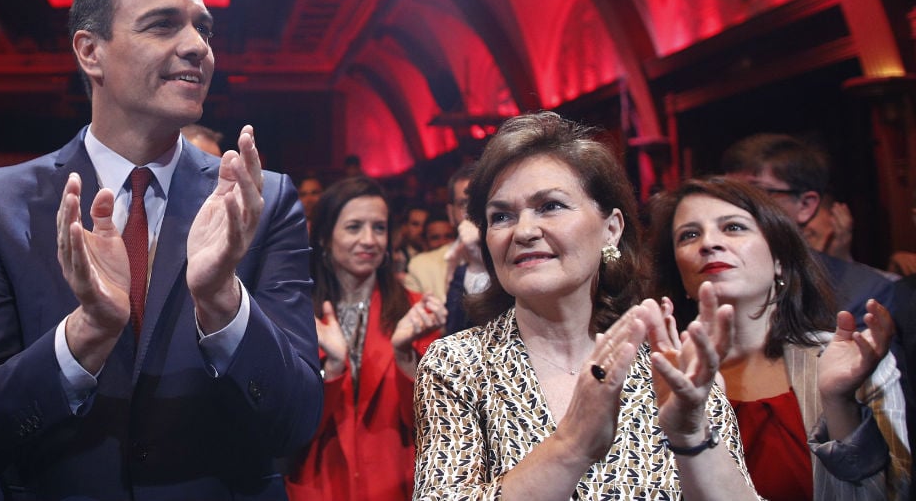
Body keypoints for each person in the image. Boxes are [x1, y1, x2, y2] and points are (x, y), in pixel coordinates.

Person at [0, 0, 322, 499]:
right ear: (91, 52)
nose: (197, 47)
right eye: (163, 24)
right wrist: (86, 334)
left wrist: (222, 303)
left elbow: (297, 422)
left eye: (203, 29)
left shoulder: (259, 199)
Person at [414, 112, 760, 500]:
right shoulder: (459, 364)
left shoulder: (670, 365)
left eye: (550, 206)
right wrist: (570, 446)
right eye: (502, 216)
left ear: (611, 228)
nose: (524, 231)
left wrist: (692, 435)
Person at [649, 176, 910, 500]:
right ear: (680, 275)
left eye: (733, 227)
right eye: (689, 235)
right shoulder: (657, 377)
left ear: (780, 260)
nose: (708, 243)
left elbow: (895, 492)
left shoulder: (853, 359)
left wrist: (838, 402)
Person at [285, 177, 445, 500]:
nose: (369, 239)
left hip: (396, 484)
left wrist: (404, 356)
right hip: (320, 484)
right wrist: (330, 369)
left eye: (379, 228)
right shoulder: (297, 313)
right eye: (354, 227)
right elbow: (287, 429)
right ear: (326, 237)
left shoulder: (416, 310)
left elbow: (434, 424)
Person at [721, 133, 896, 325]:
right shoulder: (715, 277)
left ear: (805, 205)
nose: (735, 207)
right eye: (729, 194)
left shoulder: (863, 293)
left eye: (755, 193)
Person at [404, 165, 474, 301]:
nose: (473, 212)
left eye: (481, 202)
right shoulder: (421, 268)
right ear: (451, 213)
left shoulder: (511, 260)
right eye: (464, 204)